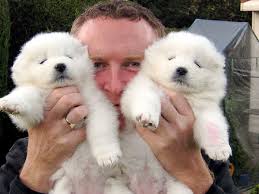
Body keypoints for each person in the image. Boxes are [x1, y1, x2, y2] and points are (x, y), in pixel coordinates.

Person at [0, 1, 239, 194]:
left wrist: (192, 172)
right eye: (97, 64)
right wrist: (39, 168)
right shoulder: (28, 153)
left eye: (134, 63)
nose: (115, 86)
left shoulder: (200, 152)